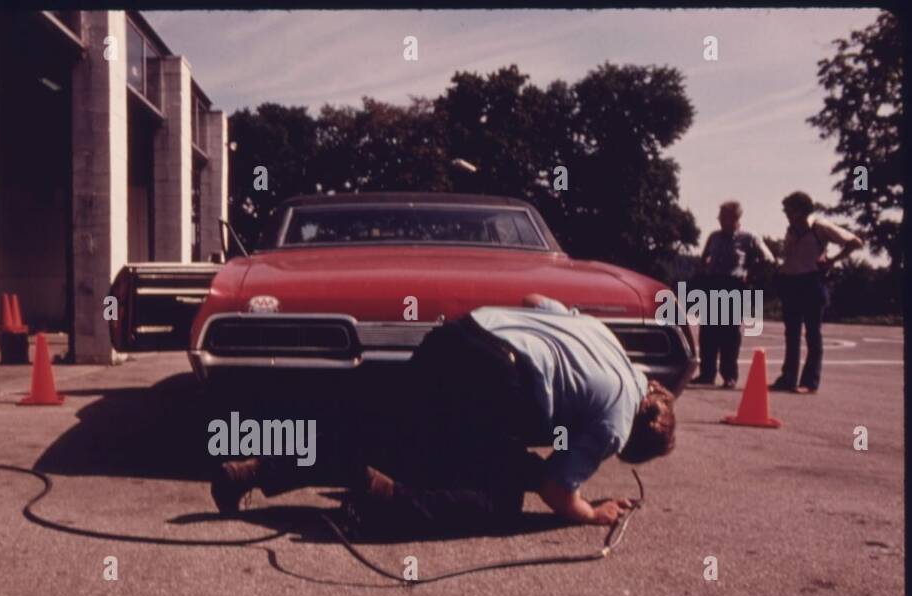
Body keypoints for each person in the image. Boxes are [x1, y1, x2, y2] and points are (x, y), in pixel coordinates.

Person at [210, 295, 676, 534]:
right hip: (495, 378)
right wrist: (590, 512)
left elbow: (536, 300)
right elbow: (556, 487)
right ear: (634, 440)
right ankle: (388, 499)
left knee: (384, 428)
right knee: (500, 498)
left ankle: (251, 470)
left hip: (458, 337)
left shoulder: (604, 335)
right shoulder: (618, 420)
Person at [771, 191, 862, 394]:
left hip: (811, 282)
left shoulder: (819, 226)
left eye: (790, 209)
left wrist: (832, 260)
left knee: (813, 333)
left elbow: (855, 241)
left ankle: (809, 381)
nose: (786, 213)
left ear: (802, 210)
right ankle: (788, 377)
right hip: (791, 282)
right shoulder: (791, 230)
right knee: (791, 333)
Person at [690, 201, 775, 389]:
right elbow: (703, 259)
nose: (720, 220)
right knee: (708, 332)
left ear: (736, 218)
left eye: (724, 216)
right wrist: (704, 271)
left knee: (729, 333)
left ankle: (729, 375)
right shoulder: (714, 237)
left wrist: (750, 274)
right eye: (720, 216)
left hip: (734, 285)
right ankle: (707, 373)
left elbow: (769, 259)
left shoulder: (749, 238)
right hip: (713, 285)